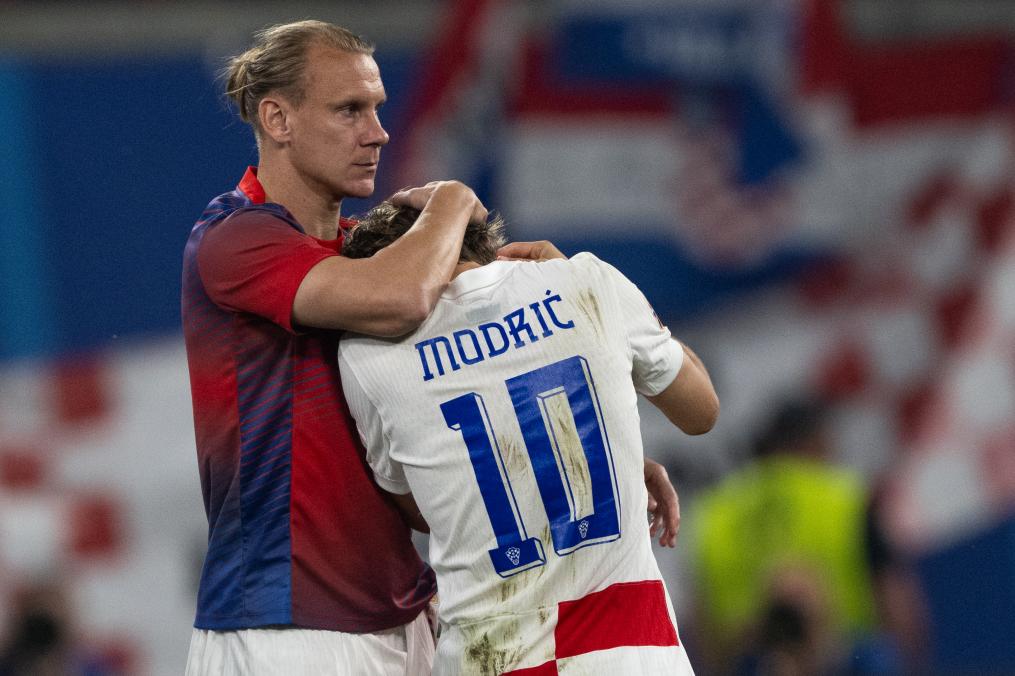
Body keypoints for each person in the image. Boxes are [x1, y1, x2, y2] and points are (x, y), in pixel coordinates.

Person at [181, 19, 682, 675]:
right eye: (349, 110)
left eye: (378, 108)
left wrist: (607, 456)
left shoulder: (373, 254)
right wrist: (453, 199)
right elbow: (400, 297)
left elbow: (494, 382)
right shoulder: (235, 238)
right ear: (278, 119)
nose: (378, 132)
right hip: (284, 630)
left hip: (408, 619)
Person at [337, 202, 719, 675]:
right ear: (482, 241)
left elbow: (424, 507)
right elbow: (701, 412)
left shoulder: (366, 353)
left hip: (489, 659)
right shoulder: (586, 282)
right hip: (631, 651)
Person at [687, 399, 879, 675]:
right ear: (812, 444)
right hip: (845, 657)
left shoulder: (716, 512)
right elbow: (893, 595)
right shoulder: (843, 496)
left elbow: (701, 618)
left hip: (745, 660)